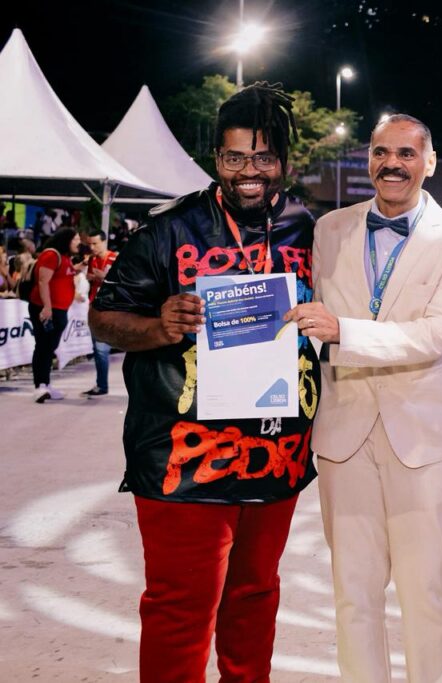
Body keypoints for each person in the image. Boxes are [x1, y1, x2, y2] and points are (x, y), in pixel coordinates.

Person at [89, 82, 320, 683]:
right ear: (216, 157)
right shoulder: (169, 229)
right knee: (181, 609)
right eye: (234, 157)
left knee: (255, 599)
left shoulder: (306, 228)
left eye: (263, 157)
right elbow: (104, 318)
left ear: (284, 161)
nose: (249, 172)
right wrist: (159, 326)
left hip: (276, 453)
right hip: (184, 459)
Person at [284, 113, 442, 683]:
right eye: (380, 152)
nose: (391, 164)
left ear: (429, 163)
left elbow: (436, 335)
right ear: (368, 158)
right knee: (353, 592)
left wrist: (343, 332)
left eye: (406, 153)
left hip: (423, 441)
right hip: (344, 436)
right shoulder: (328, 230)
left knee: (427, 591)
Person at [29, 227, 87, 402]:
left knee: (49, 348)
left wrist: (79, 268)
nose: (79, 243)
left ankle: (45, 384)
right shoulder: (51, 255)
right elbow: (43, 281)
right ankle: (40, 386)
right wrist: (47, 307)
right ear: (66, 240)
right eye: (76, 239)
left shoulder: (65, 258)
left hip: (59, 309)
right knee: (43, 347)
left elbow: (62, 275)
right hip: (47, 309)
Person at [82, 229, 118, 396]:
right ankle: (101, 384)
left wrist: (104, 277)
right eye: (89, 244)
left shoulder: (115, 258)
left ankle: (102, 385)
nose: (92, 247)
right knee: (98, 349)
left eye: (95, 243)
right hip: (94, 306)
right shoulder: (92, 259)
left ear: (104, 242)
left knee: (101, 348)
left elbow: (122, 282)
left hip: (110, 307)